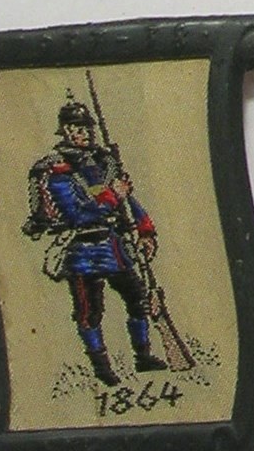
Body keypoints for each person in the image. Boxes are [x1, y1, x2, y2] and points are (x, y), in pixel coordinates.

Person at [24, 98, 165, 387]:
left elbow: (128, 202)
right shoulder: (58, 171)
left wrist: (145, 230)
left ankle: (143, 357)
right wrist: (113, 196)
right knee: (90, 312)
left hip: (114, 247)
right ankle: (102, 370)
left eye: (87, 128)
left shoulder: (103, 162)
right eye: (78, 128)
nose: (85, 133)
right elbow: (78, 214)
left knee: (138, 300)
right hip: (82, 251)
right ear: (66, 130)